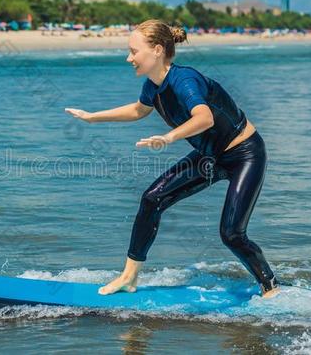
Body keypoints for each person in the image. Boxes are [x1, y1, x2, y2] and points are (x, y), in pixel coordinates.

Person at [64, 19, 280, 298]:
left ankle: (271, 287)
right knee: (152, 199)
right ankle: (129, 278)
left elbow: (204, 117)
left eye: (133, 51)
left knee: (231, 233)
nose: (128, 58)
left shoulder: (185, 80)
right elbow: (139, 110)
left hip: (245, 154)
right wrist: (93, 117)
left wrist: (168, 138)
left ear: (156, 50)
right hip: (210, 156)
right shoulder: (153, 86)